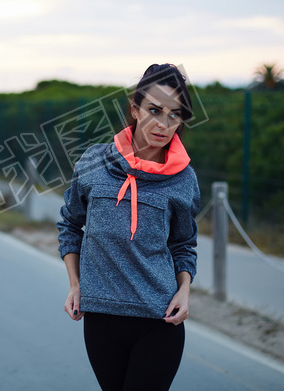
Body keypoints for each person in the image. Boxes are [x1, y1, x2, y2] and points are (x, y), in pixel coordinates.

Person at [57, 63, 200, 391]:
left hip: (159, 320)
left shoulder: (183, 178)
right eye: (154, 110)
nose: (164, 124)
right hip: (100, 319)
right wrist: (76, 284)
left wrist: (185, 290)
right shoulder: (93, 163)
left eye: (174, 115)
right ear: (135, 110)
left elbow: (183, 244)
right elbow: (70, 224)